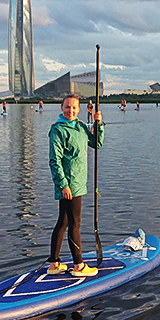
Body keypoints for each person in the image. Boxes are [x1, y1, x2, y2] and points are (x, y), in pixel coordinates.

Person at [47, 94, 104, 278]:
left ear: (79, 109)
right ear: (61, 108)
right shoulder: (58, 130)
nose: (70, 110)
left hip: (78, 183)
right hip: (69, 184)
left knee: (63, 222)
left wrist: (98, 124)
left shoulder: (79, 126)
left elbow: (97, 144)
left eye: (73, 107)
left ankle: (54, 263)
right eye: (67, 107)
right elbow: (54, 160)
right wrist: (63, 184)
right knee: (75, 224)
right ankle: (78, 266)